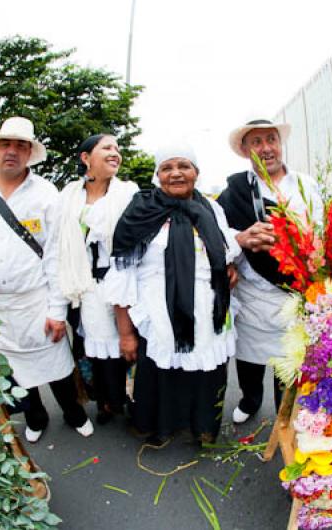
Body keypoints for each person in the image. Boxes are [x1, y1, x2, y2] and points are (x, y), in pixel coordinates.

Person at [0, 116, 93, 442]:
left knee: (57, 367)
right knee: (13, 372)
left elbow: (56, 257)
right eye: (6, 144)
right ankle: (36, 417)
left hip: (36, 300)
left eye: (21, 145)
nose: (12, 151)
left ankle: (74, 413)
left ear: (30, 153)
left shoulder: (47, 194)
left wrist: (56, 310)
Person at [105, 142, 240, 445]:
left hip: (207, 311)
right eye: (167, 168)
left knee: (207, 373)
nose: (176, 173)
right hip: (159, 314)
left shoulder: (210, 208)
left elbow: (223, 249)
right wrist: (126, 333)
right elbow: (122, 274)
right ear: (158, 175)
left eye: (184, 166)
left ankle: (202, 428)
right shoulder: (141, 210)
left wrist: (230, 269)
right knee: (160, 376)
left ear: (196, 173)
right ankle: (160, 428)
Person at [217, 117, 322, 424]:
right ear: (245, 150)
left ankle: (284, 415)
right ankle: (250, 400)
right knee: (249, 360)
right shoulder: (234, 191)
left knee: (287, 363)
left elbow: (323, 233)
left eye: (271, 140)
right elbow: (218, 235)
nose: (266, 148)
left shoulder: (307, 186)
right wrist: (240, 239)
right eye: (257, 142)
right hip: (253, 295)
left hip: (295, 294)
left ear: (280, 143)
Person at [56, 134, 139, 425]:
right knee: (94, 348)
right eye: (107, 148)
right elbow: (58, 243)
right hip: (83, 284)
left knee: (128, 345)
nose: (115, 153)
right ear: (85, 158)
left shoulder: (128, 193)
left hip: (121, 278)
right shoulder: (68, 196)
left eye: (117, 148)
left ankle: (131, 400)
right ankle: (106, 402)